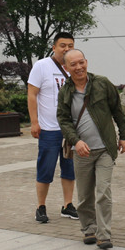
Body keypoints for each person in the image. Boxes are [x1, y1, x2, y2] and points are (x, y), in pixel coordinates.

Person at [57, 49, 125, 250]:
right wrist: (75, 141)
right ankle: (88, 228)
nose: (79, 67)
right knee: (85, 195)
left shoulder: (102, 83)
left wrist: (123, 136)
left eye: (82, 62)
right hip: (82, 152)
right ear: (66, 68)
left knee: (103, 191)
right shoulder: (65, 92)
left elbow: (117, 110)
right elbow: (63, 120)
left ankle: (104, 234)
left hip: (105, 148)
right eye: (74, 64)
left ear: (86, 62)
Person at [27, 32, 78, 224]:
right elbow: (32, 94)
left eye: (70, 45)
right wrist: (34, 122)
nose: (66, 49)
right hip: (48, 129)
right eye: (63, 45)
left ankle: (68, 205)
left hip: (70, 129)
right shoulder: (42, 66)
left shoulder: (75, 66)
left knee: (69, 169)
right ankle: (41, 206)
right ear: (54, 47)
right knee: (45, 169)